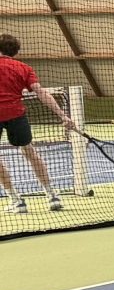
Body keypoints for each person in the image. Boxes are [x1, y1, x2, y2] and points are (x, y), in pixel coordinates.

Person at [0, 32, 66, 214]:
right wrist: (62, 116)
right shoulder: (24, 68)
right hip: (16, 115)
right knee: (29, 151)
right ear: (15, 51)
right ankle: (52, 196)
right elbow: (41, 92)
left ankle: (16, 200)